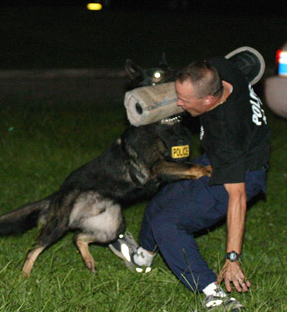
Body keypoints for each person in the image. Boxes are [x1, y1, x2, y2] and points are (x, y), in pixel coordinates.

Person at [110, 58, 270, 311]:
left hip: (242, 174)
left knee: (167, 224)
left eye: (184, 100)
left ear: (208, 100)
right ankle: (144, 256)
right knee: (163, 199)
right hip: (215, 159)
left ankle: (214, 295)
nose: (178, 103)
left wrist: (232, 257)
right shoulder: (221, 69)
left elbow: (237, 197)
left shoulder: (225, 133)